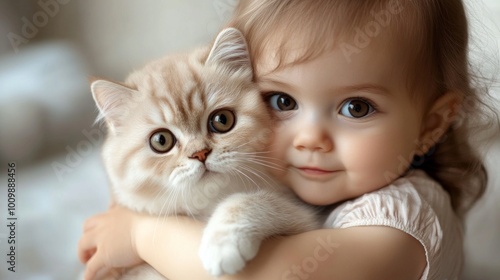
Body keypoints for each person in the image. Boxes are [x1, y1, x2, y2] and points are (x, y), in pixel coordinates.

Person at [78, 0, 498, 279]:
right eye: (281, 100)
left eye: (356, 107)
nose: (310, 138)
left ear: (431, 124)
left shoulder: (405, 222)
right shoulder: (306, 189)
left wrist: (141, 234)